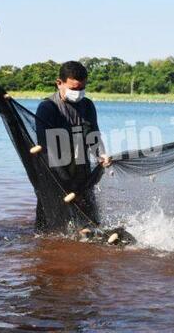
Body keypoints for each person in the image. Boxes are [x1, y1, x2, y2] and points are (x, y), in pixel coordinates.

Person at [35, 61, 111, 230]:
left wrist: (102, 154)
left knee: (91, 222)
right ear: (59, 83)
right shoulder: (48, 108)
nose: (78, 93)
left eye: (81, 88)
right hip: (54, 174)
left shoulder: (87, 105)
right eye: (73, 89)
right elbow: (46, 149)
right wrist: (64, 182)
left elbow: (93, 136)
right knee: (49, 228)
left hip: (82, 174)